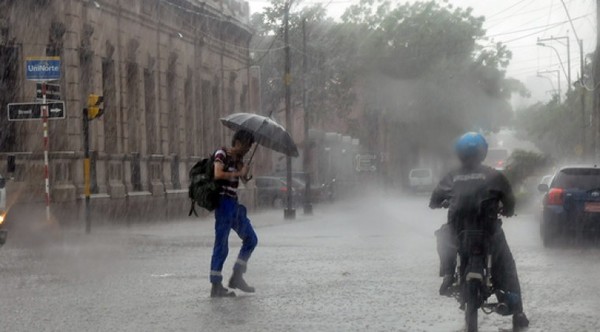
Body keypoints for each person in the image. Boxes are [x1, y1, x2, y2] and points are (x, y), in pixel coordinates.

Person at [429, 132, 529, 329]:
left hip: (459, 231)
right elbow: (509, 201)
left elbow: (434, 200)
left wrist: (440, 203)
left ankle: (448, 274)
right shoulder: (494, 175)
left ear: (460, 153)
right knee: (507, 265)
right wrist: (507, 210)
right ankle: (518, 314)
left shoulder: (452, 176)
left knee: (443, 236)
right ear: (483, 152)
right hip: (488, 231)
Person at [209, 129, 258, 298]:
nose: (247, 150)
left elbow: (243, 179)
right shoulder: (221, 153)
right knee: (221, 244)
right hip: (223, 204)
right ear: (238, 142)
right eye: (247, 146)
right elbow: (218, 174)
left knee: (251, 239)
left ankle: (237, 276)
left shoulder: (238, 159)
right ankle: (215, 285)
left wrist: (245, 171)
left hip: (234, 205)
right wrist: (238, 173)